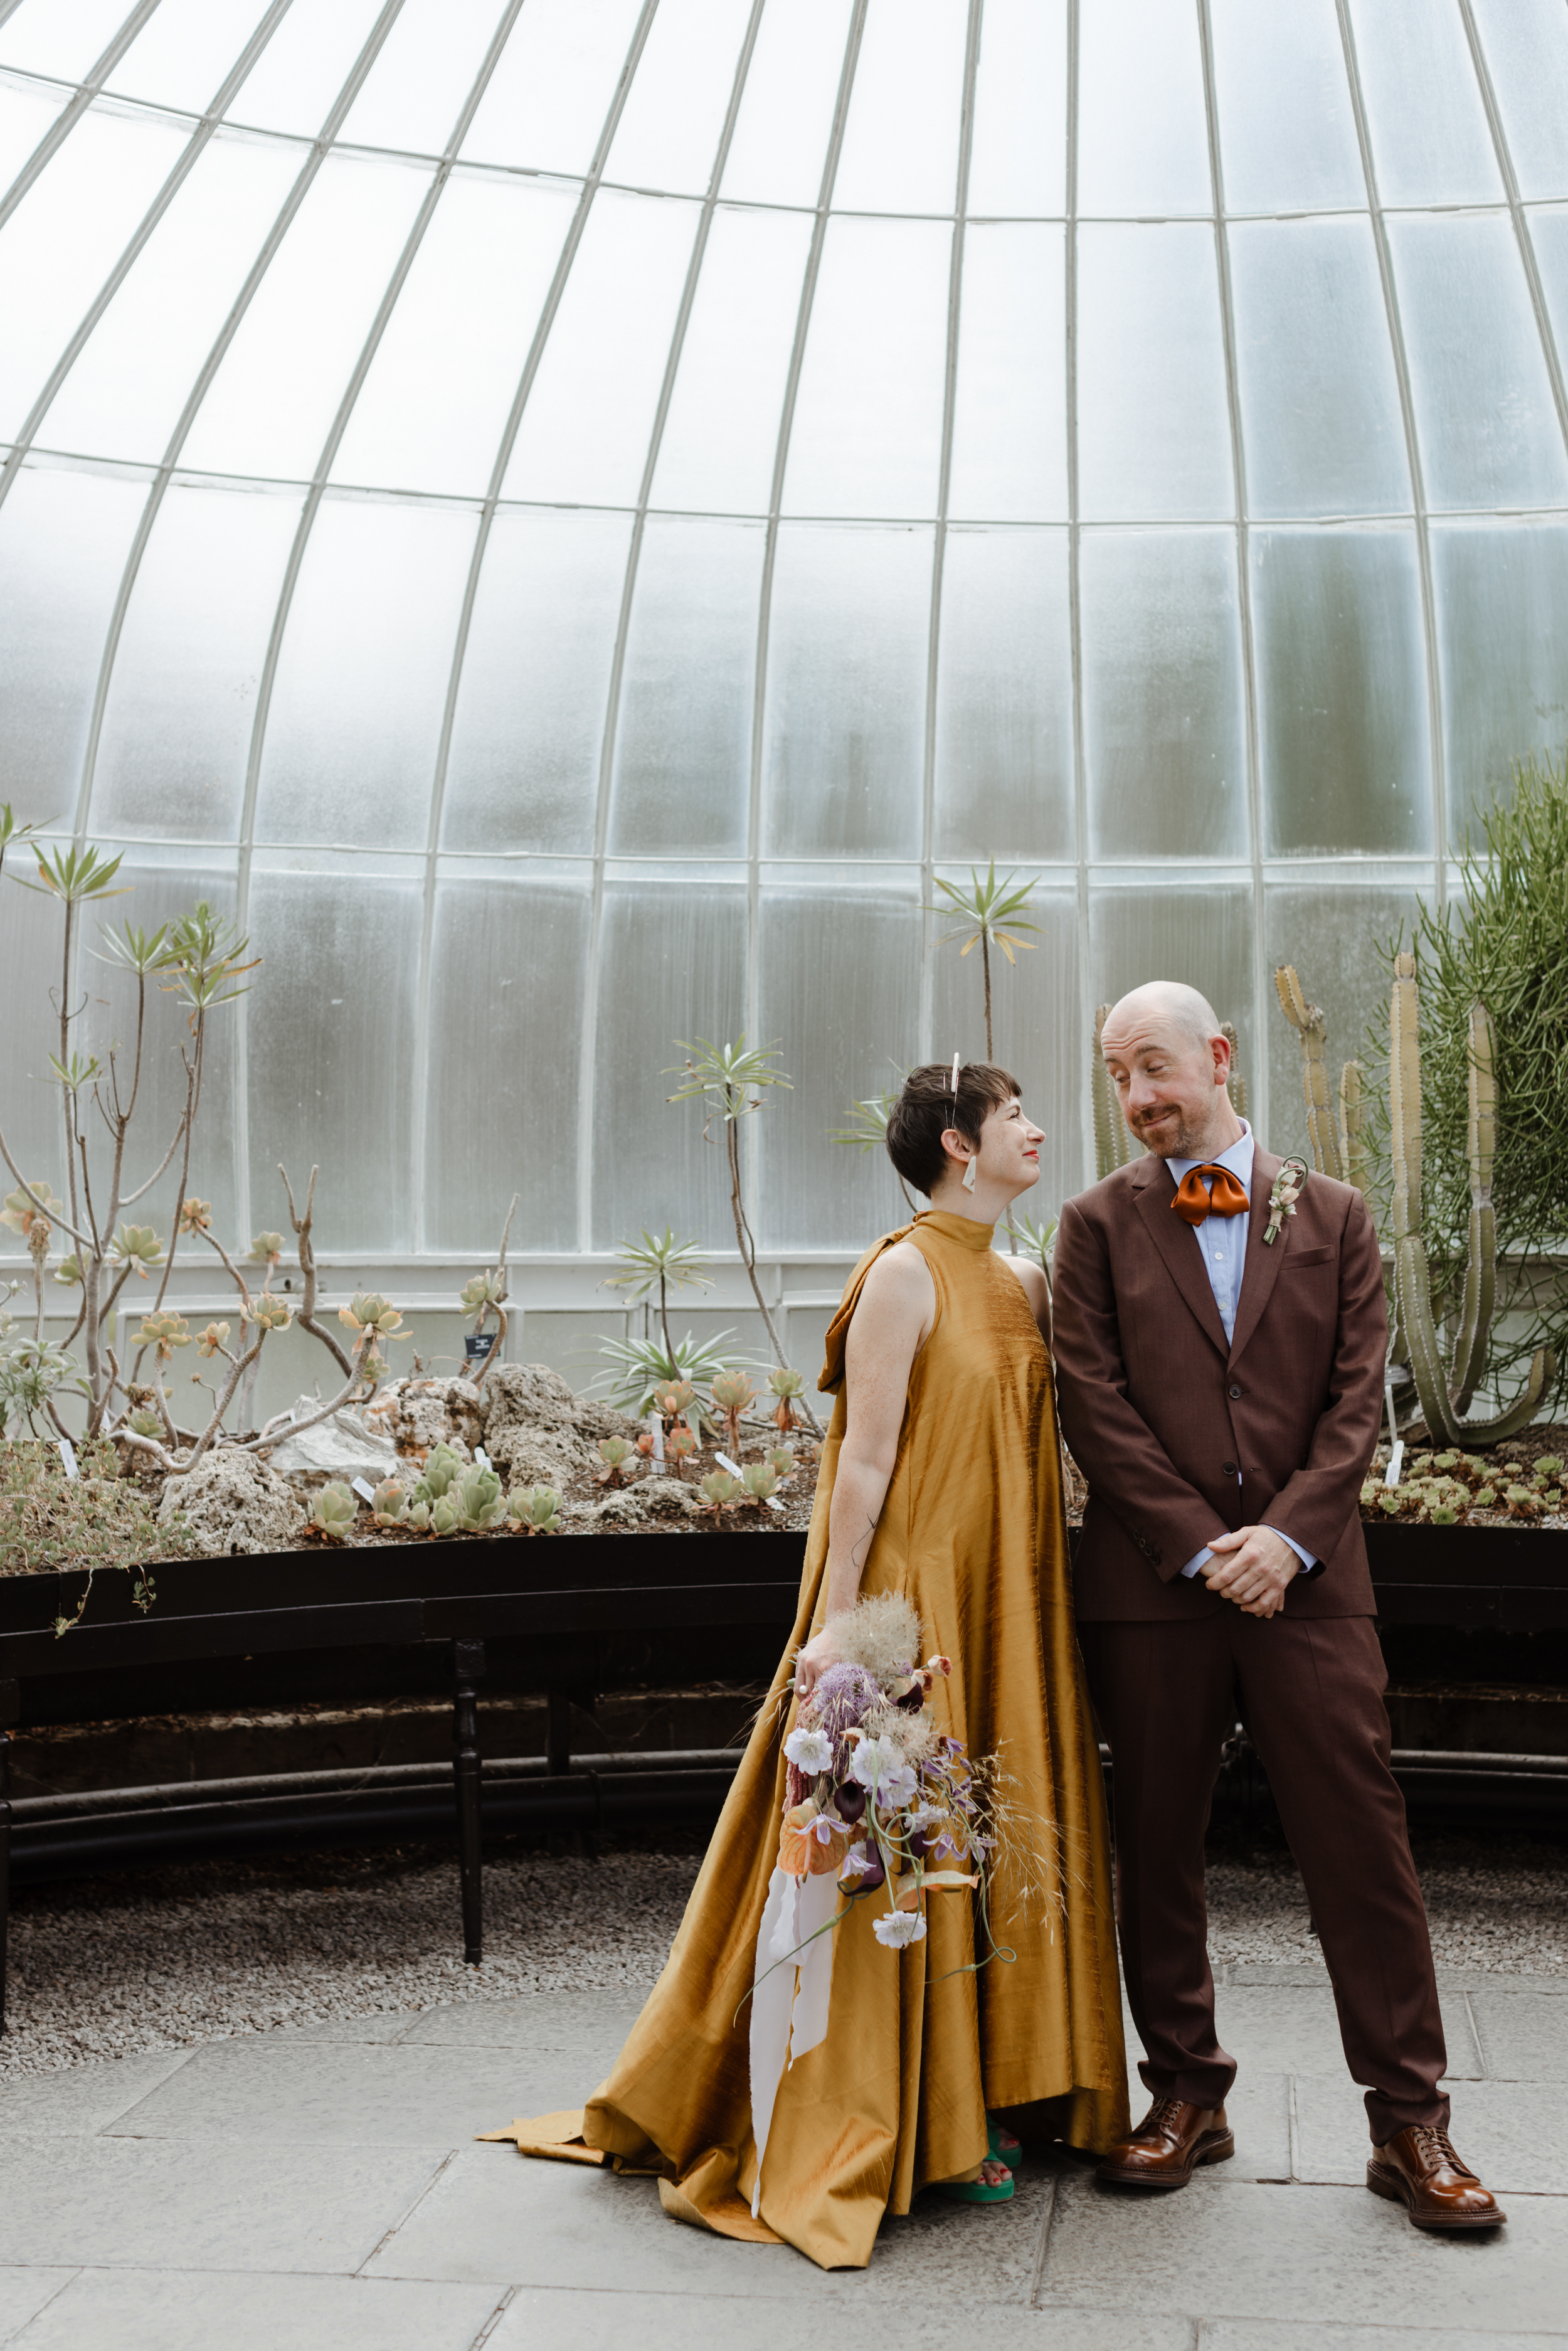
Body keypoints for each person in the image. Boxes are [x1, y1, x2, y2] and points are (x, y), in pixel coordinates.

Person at [494, 1062, 1127, 2269]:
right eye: (1013, 1119)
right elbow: (865, 1463)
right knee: (897, 1841)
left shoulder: (1022, 1279)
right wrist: (840, 1634)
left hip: (1010, 1597)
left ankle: (1001, 2088)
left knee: (996, 1825)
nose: (1038, 1131)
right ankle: (915, 2119)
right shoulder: (901, 1273)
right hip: (915, 1597)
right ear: (959, 1142)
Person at [1051, 980, 1504, 2231]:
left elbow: (1355, 1399)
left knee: (1360, 1848)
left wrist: (1285, 1540)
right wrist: (1202, 1546)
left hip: (1310, 1590)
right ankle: (1185, 2091)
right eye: (1116, 1078)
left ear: (1216, 1053)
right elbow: (1091, 1402)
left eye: (1154, 1068)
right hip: (1153, 1591)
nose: (1137, 1098)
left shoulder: (1337, 1213)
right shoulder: (1091, 1224)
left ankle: (1407, 2120)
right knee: (1153, 1844)